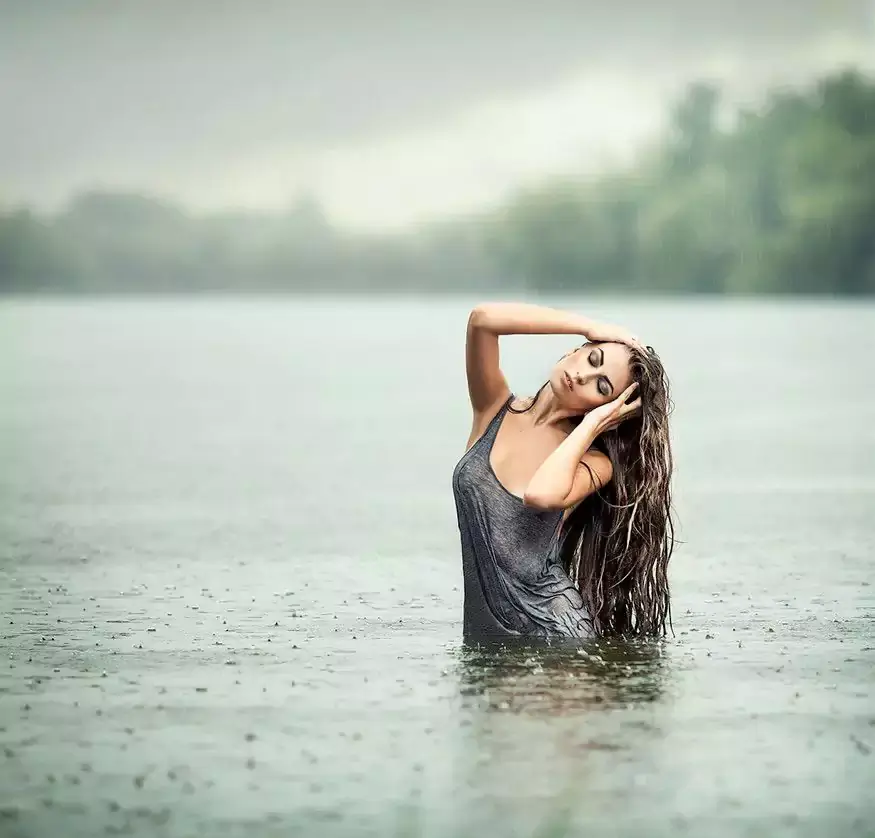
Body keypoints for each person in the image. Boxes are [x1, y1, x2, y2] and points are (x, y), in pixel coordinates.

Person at [452, 302, 674, 642]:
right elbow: (482, 321)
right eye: (592, 358)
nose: (582, 376)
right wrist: (587, 326)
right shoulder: (493, 408)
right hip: (488, 637)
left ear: (608, 410)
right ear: (576, 350)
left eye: (601, 388)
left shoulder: (595, 463)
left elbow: (542, 494)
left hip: (555, 635)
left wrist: (592, 425)